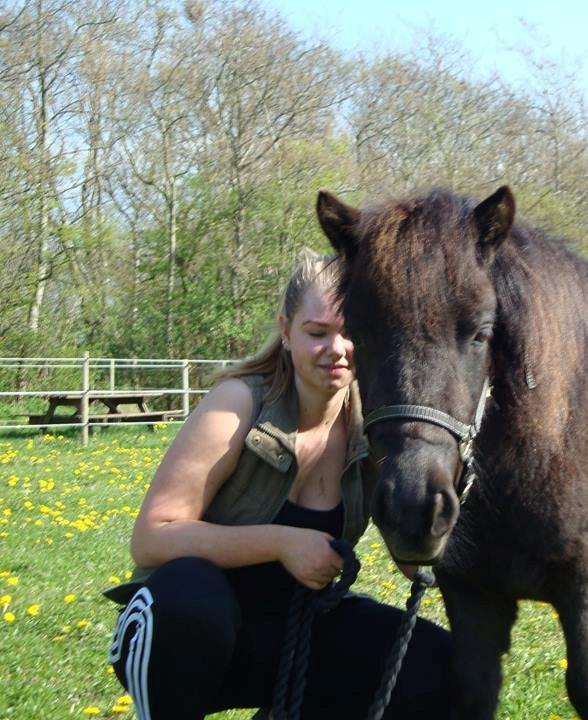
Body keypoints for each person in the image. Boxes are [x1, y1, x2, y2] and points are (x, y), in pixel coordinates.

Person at [104, 252, 451, 719]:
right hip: (181, 630)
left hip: (298, 633)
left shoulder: (377, 425)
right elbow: (152, 537)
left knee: (441, 665)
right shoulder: (238, 402)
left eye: (351, 331)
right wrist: (282, 543)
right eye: (317, 332)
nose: (338, 347)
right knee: (191, 600)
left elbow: (413, 560)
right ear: (286, 332)